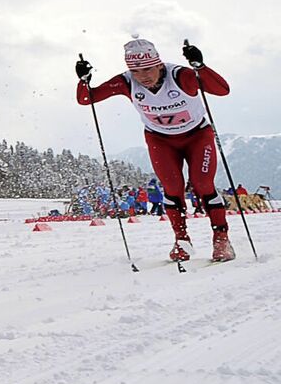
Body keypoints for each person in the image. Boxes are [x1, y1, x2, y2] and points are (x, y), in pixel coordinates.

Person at [77, 39, 235, 262]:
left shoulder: (180, 76)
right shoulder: (126, 82)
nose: (143, 76)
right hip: (160, 140)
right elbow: (86, 99)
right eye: (136, 71)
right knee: (172, 188)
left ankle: (221, 239)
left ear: (160, 64)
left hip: (197, 136)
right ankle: (182, 241)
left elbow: (222, 90)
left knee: (202, 184)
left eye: (148, 68)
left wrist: (199, 66)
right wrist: (83, 80)